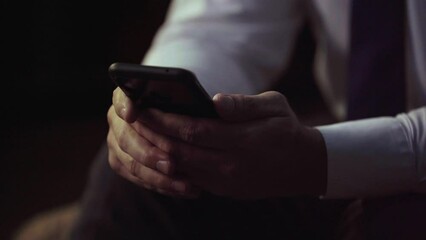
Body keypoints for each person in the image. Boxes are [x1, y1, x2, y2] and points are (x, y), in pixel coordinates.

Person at [15, 0, 426, 239]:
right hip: (340, 135)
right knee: (135, 186)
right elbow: (219, 22)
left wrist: (322, 159)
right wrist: (161, 117)